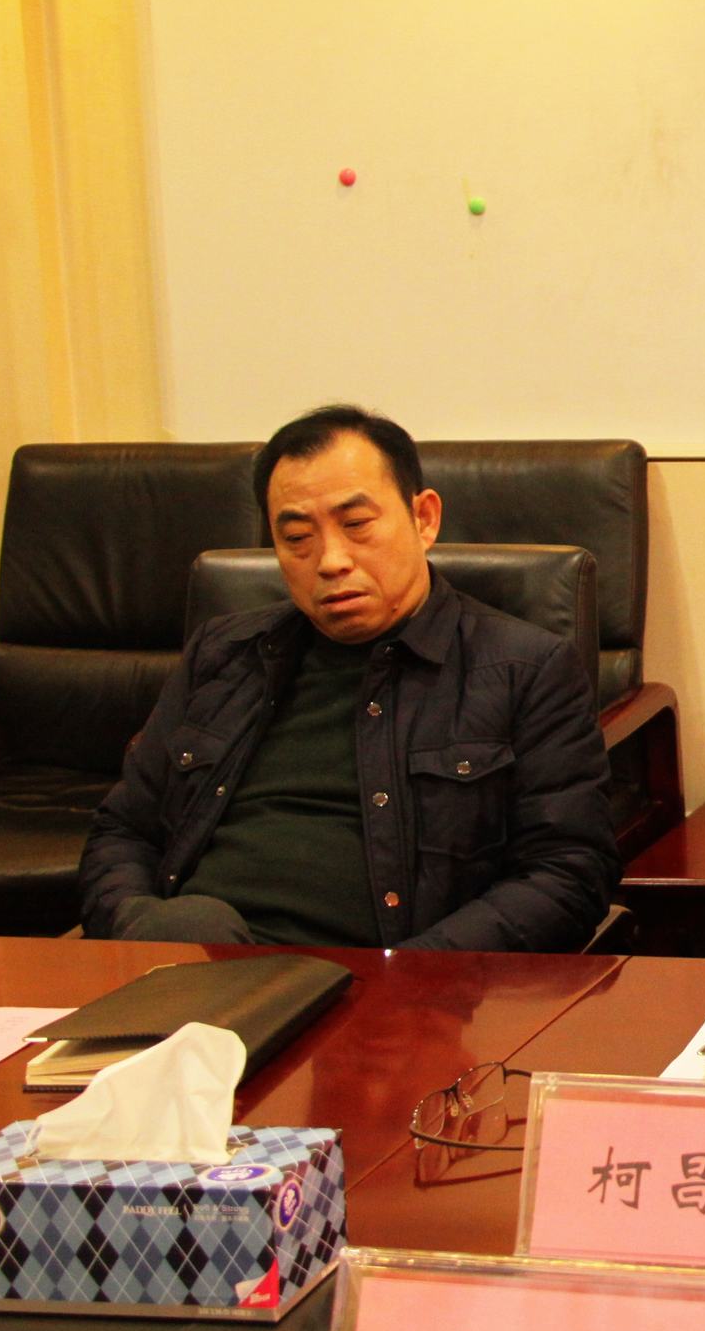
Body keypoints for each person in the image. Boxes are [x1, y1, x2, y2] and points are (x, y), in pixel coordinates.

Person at [81, 405, 617, 950]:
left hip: (382, 981)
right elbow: (124, 831)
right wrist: (135, 925)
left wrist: (412, 975)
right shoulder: (223, 655)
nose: (331, 561)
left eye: (357, 525)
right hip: (187, 959)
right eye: (297, 537)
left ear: (424, 519)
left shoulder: (525, 669)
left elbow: (567, 873)